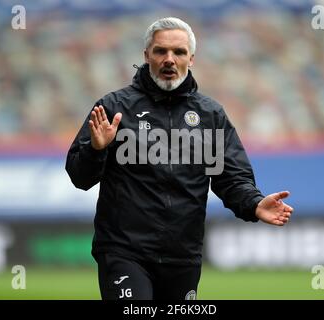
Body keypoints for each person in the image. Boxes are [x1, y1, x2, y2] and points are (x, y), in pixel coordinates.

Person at [66, 17, 293, 300]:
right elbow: (79, 177)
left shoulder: (211, 115)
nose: (169, 59)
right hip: (124, 250)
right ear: (146, 55)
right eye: (161, 51)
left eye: (179, 52)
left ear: (192, 59)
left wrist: (254, 203)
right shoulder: (114, 108)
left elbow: (231, 178)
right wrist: (96, 150)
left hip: (182, 256)